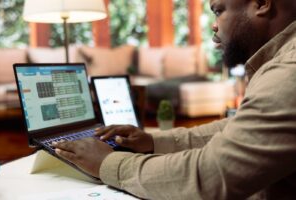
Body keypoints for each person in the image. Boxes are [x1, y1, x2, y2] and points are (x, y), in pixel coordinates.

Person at [52, 0, 296, 199]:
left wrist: (107, 162)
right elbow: (240, 128)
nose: (213, 26)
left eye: (219, 10)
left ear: (262, 3)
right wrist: (153, 141)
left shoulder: (288, 72)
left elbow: (209, 177)